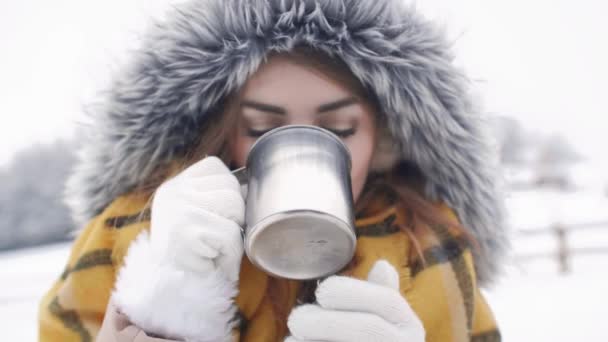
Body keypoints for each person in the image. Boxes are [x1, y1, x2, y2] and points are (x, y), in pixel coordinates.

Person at [38, 0, 507, 341]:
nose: (299, 152)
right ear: (223, 134)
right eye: (263, 127)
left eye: (340, 128)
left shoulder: (429, 246)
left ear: (381, 144)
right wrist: (166, 302)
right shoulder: (130, 231)